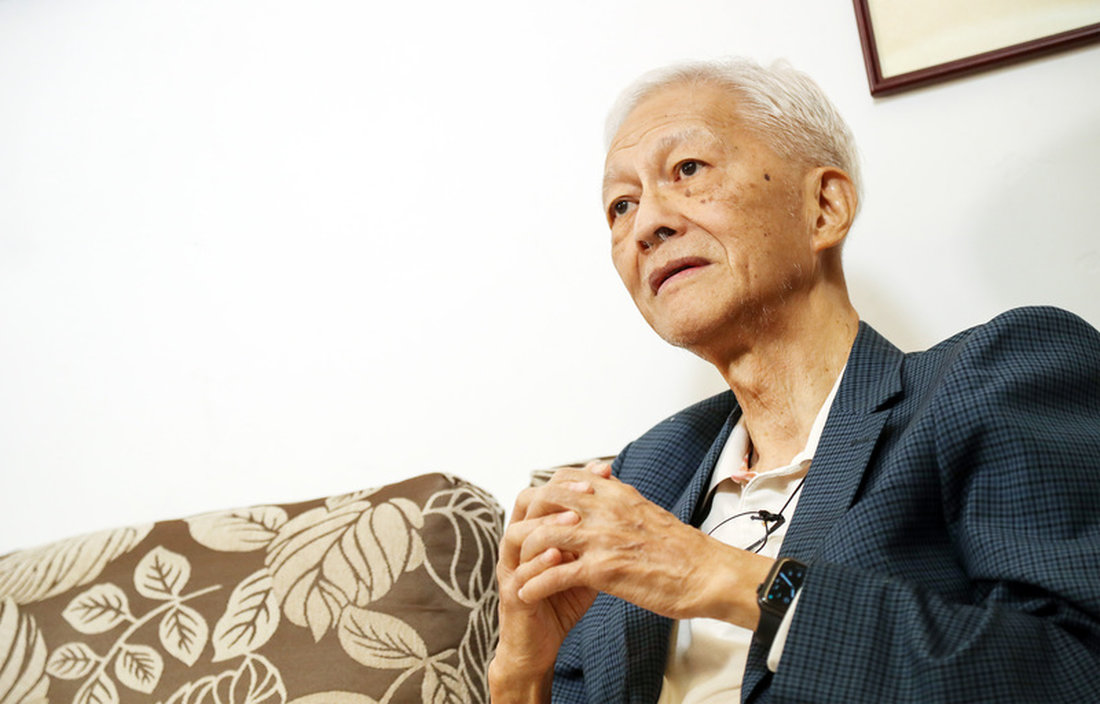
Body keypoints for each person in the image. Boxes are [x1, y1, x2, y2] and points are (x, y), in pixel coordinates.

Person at [488, 57, 1100, 703]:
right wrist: (521, 670)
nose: (646, 226)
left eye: (688, 169)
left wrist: (716, 576)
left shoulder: (996, 373)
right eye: (621, 205)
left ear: (825, 207)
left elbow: (1077, 669)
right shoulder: (646, 474)